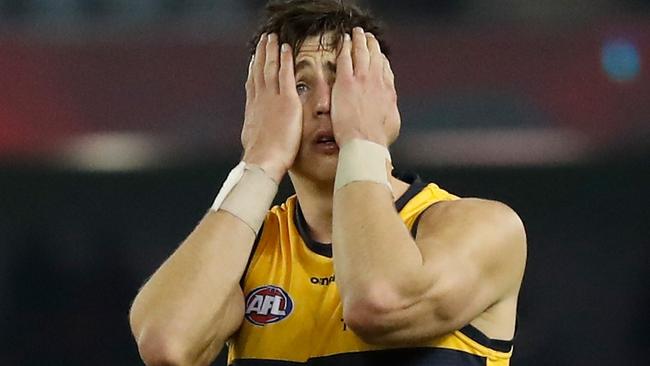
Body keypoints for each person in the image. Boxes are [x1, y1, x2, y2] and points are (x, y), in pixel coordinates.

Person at [129, 1, 527, 365]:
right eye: (300, 86)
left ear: (385, 98)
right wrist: (259, 161)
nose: (324, 103)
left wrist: (362, 140)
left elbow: (380, 301)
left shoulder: (483, 227)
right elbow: (166, 344)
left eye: (343, 81)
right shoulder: (248, 248)